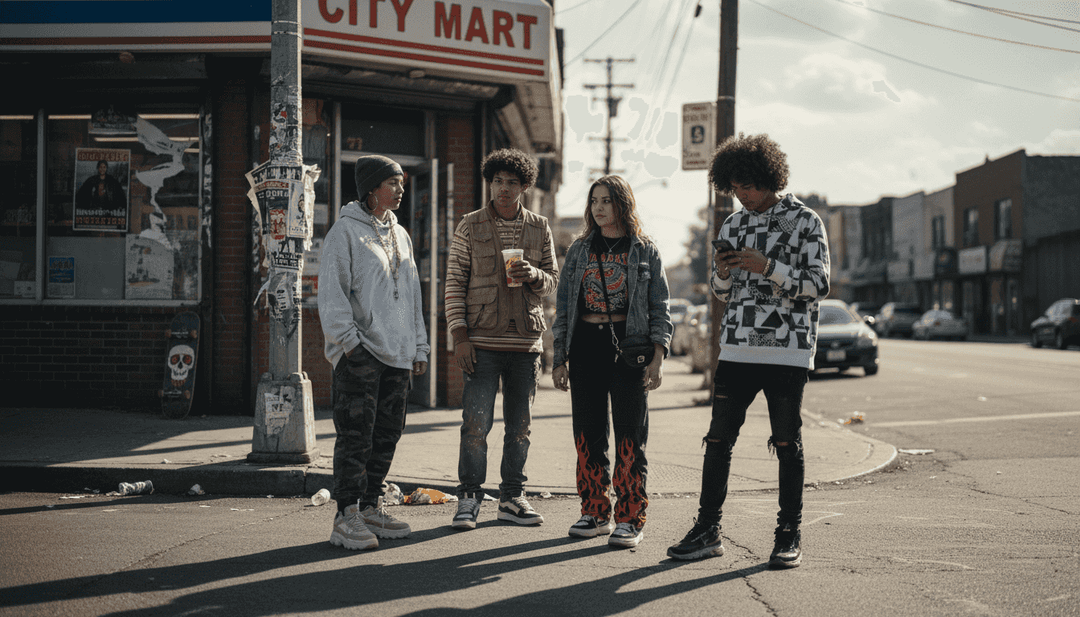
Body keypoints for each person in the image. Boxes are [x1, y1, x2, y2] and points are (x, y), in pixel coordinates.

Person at [667, 134, 830, 568]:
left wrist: (767, 267)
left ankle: (788, 534)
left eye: (749, 186)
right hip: (737, 348)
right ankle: (707, 529)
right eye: (735, 187)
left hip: (787, 350)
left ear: (769, 178)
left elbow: (819, 285)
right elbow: (721, 293)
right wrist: (722, 272)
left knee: (786, 442)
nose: (742, 195)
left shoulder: (805, 220)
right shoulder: (733, 225)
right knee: (718, 440)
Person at [551, 175, 672, 548]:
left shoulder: (644, 250)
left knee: (630, 434)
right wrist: (559, 358)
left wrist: (658, 356)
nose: (598, 208)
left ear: (623, 204)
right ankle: (594, 510)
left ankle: (630, 517)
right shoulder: (580, 250)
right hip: (586, 345)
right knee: (587, 432)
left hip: (629, 349)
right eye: (594, 201)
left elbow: (660, 306)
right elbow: (564, 306)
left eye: (606, 200)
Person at [318, 155, 429, 550]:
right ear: (371, 188)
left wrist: (419, 345)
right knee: (355, 436)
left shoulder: (401, 235)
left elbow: (413, 294)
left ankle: (369, 505)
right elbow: (331, 296)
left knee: (387, 434)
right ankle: (345, 514)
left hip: (398, 355)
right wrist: (351, 346)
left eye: (401, 183)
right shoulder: (344, 233)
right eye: (393, 183)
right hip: (361, 355)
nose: (401, 189)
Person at [444, 148, 559, 530]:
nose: (503, 189)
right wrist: (460, 336)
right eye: (497, 181)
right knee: (475, 425)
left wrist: (534, 275)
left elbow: (553, 282)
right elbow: (454, 283)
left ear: (525, 186)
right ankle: (469, 498)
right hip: (480, 342)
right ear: (489, 183)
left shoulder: (540, 227)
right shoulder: (469, 224)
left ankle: (512, 498)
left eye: (512, 182)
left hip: (525, 345)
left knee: (519, 427)